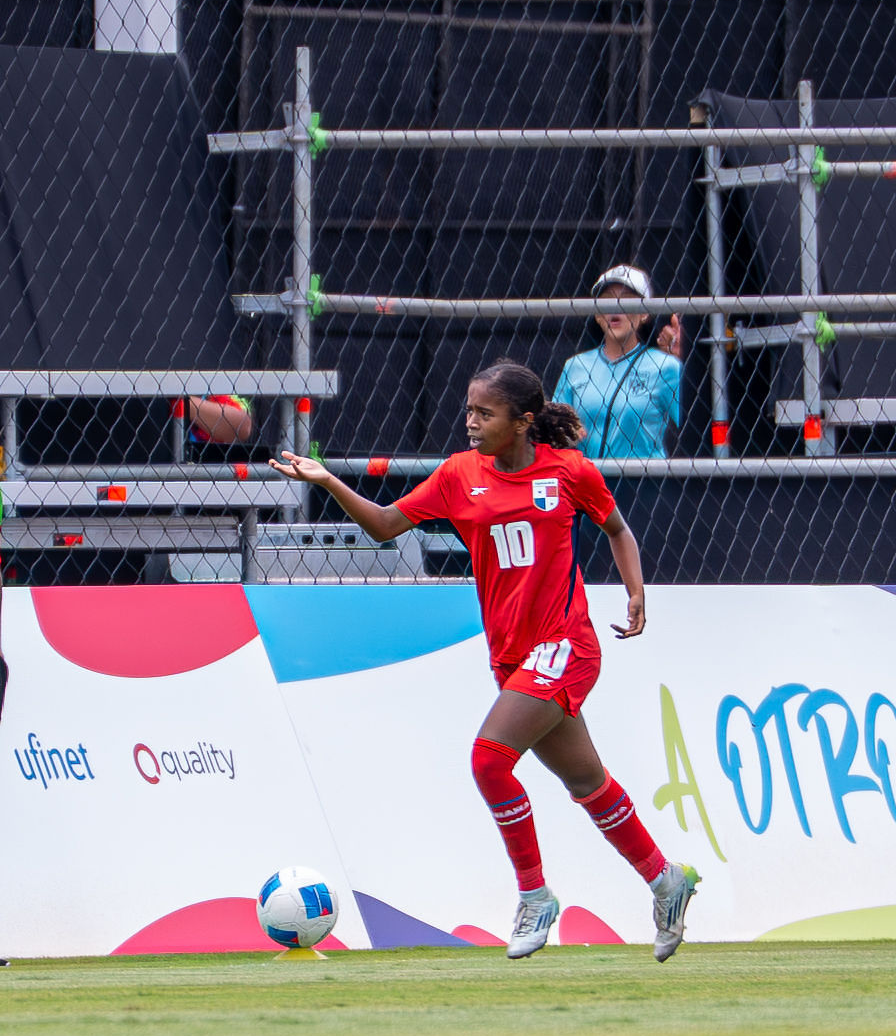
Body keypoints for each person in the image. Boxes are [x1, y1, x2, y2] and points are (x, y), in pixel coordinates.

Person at [270, 358, 699, 962]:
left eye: (484, 413)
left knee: (489, 760)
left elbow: (617, 529)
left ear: (523, 423)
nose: (470, 422)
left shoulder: (569, 471)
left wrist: (635, 591)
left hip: (566, 645)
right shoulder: (457, 475)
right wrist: (329, 481)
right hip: (512, 657)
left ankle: (534, 895)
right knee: (586, 782)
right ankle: (665, 880)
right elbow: (386, 526)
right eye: (468, 410)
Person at [552, 265, 682, 459]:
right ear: (597, 315)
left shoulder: (665, 366)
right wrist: (564, 431)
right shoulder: (575, 366)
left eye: (626, 300)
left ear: (645, 313)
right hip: (588, 482)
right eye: (607, 301)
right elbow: (554, 429)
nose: (616, 307)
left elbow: (691, 425)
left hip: (644, 482)